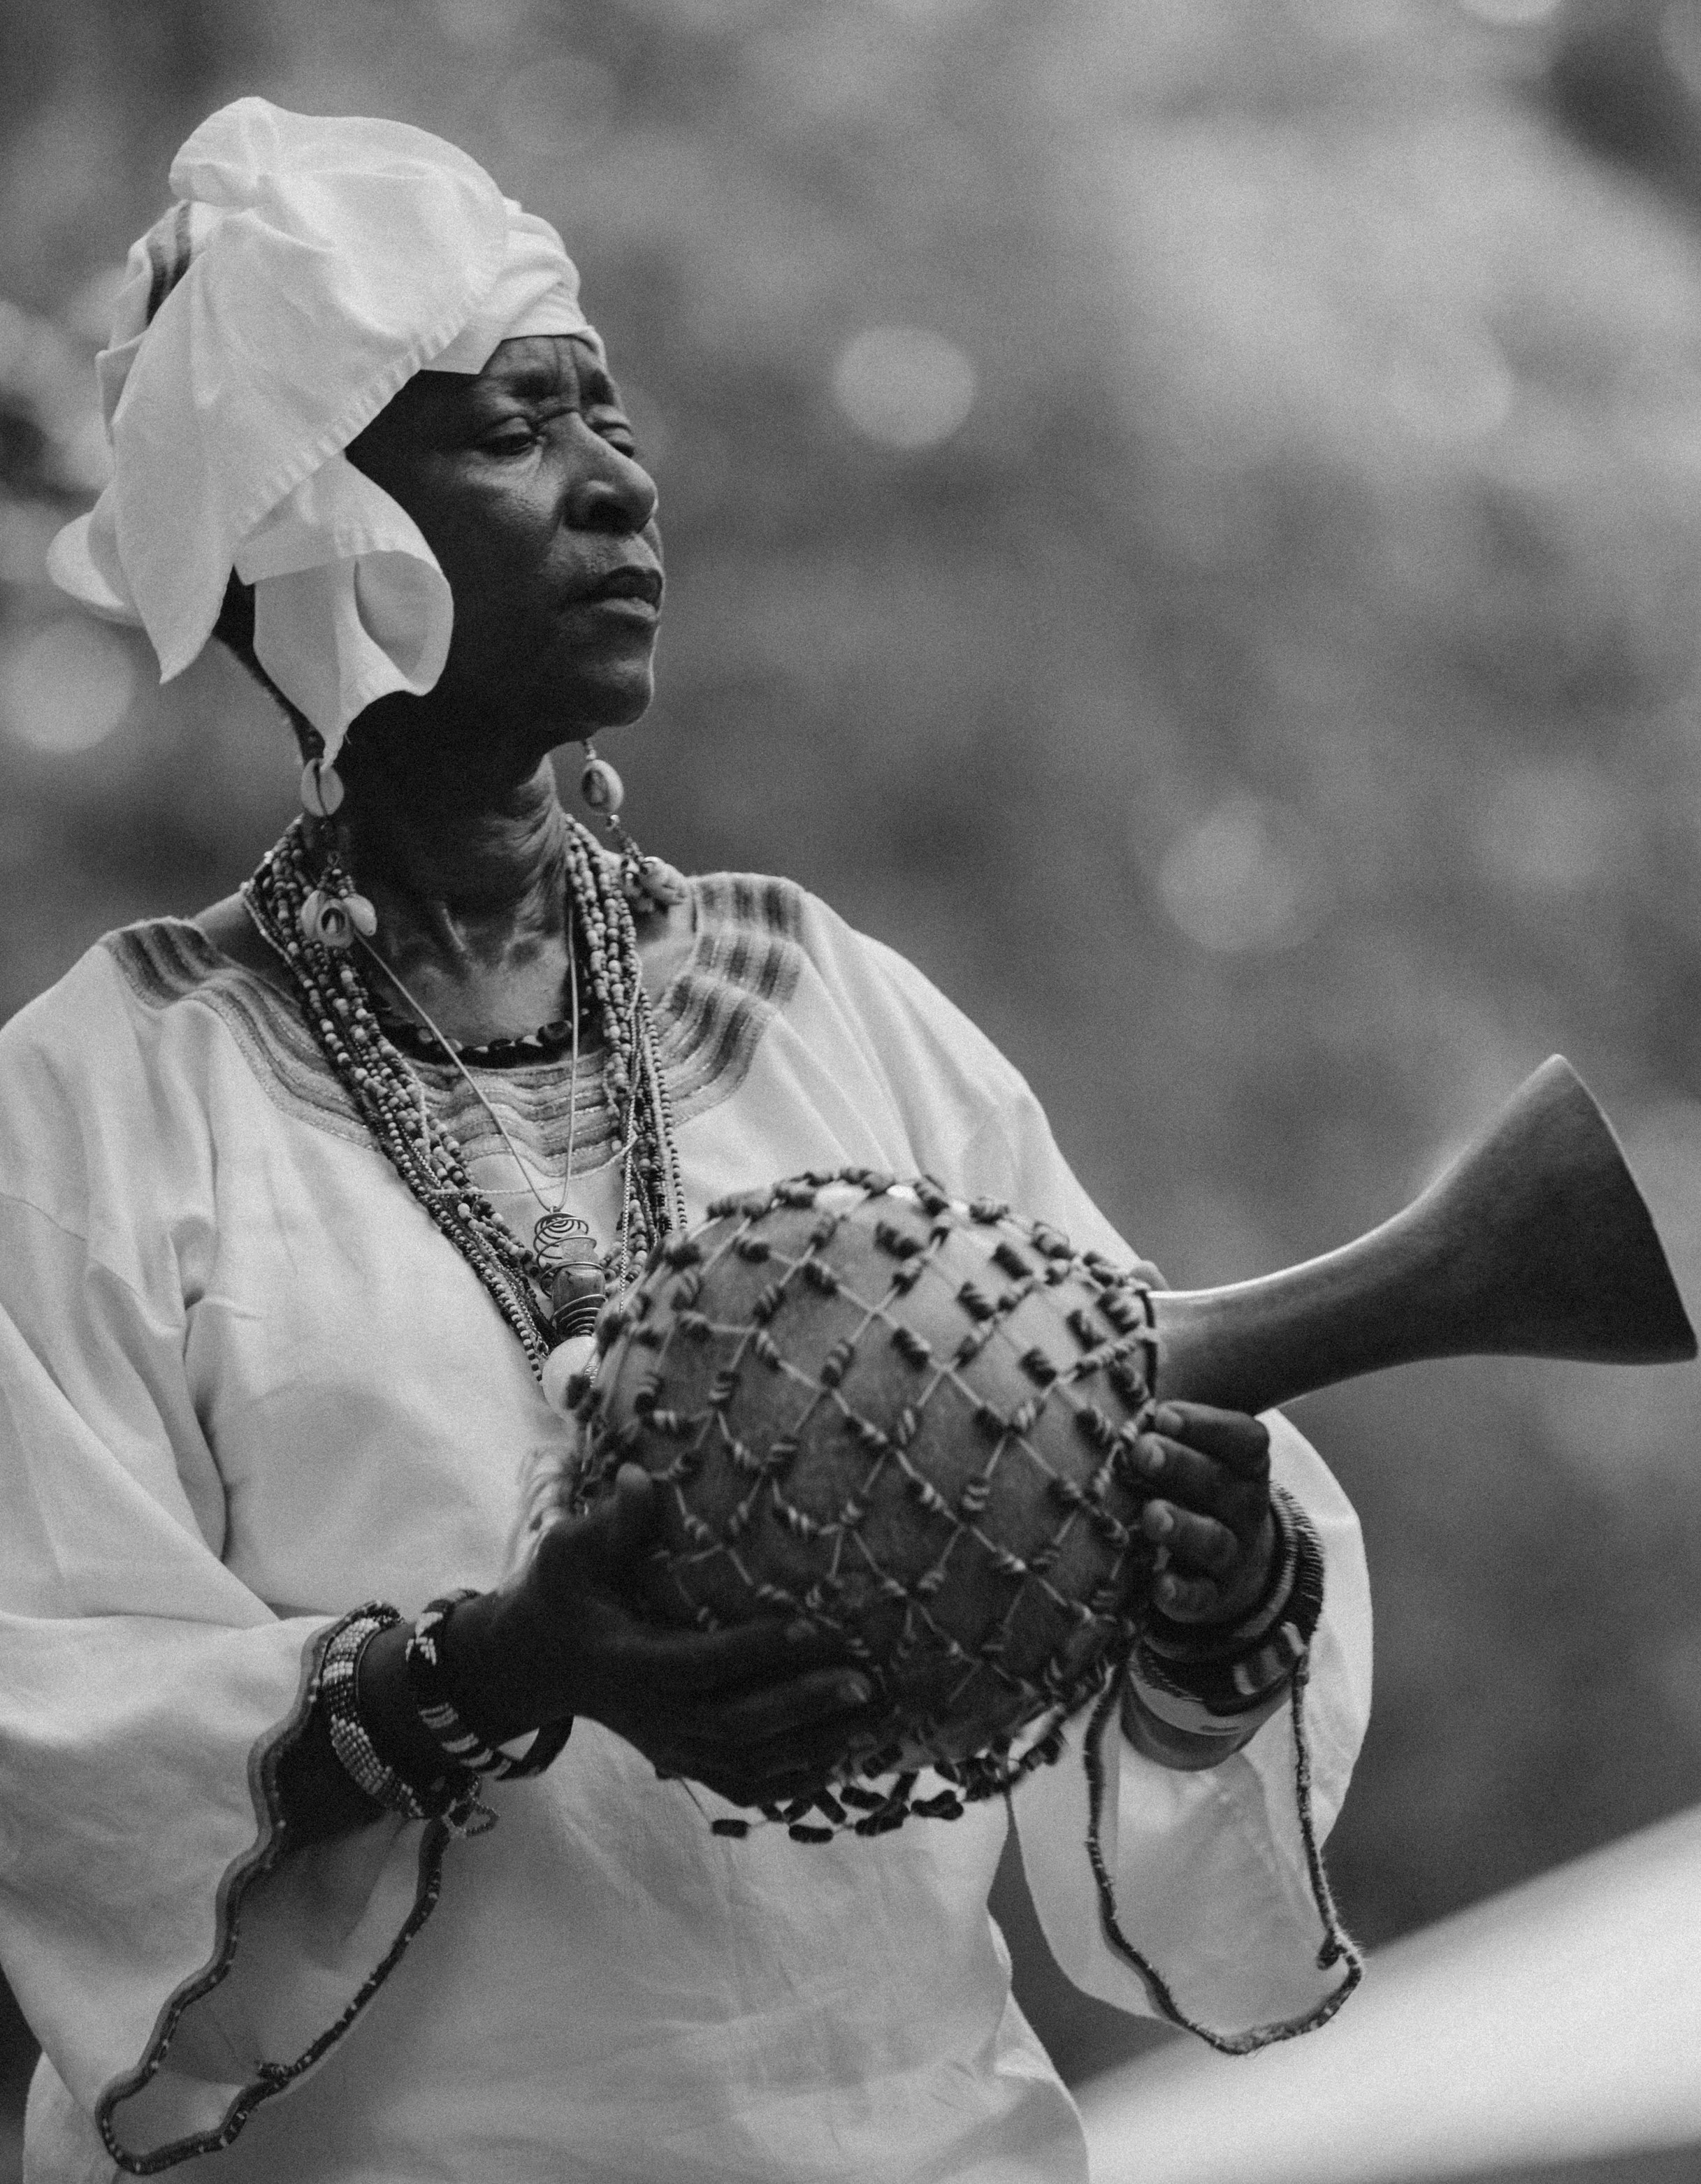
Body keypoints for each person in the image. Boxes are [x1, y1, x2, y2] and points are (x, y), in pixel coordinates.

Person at [0, 101, 1369, 2184]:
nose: (621, 481)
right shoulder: (98, 1100)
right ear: (323, 522)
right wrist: (491, 1667)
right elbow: (46, 1718)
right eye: (513, 428)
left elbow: (1115, 1458)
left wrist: (1211, 1587)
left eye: (608, 415)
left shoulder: (826, 1006)